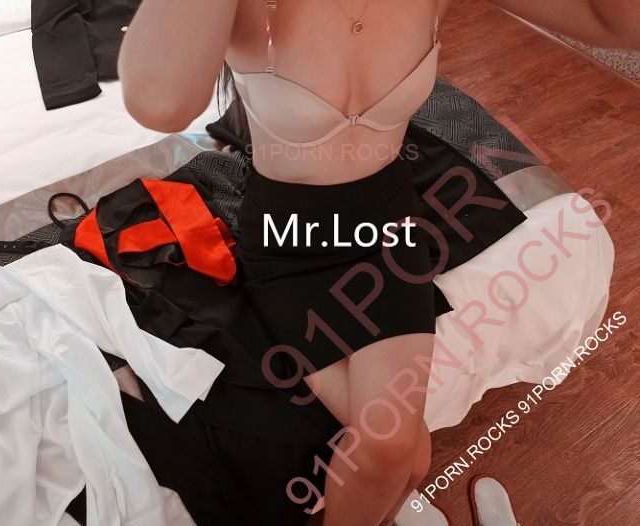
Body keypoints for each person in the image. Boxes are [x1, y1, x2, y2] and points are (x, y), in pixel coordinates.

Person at [118, 2, 639, 525]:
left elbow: (616, 23)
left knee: (404, 455)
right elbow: (160, 103)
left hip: (389, 226)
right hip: (290, 238)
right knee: (394, 451)